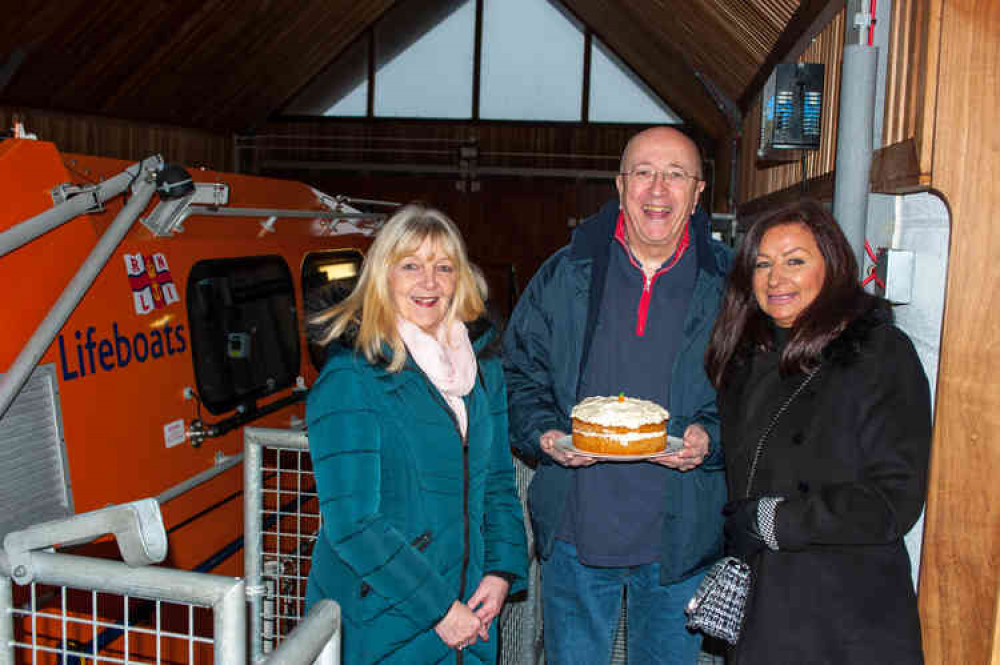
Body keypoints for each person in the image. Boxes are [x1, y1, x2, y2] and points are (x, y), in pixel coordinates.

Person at [503, 126, 731, 665]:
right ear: (620, 184)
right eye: (644, 173)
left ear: (698, 192)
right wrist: (545, 434)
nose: (658, 189)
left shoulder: (729, 286)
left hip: (680, 542)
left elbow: (754, 392)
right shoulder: (566, 273)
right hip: (578, 537)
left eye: (675, 175)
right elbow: (518, 372)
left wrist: (711, 438)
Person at [704, 199, 930, 664]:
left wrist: (774, 520)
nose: (775, 278)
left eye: (795, 261)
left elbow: (895, 499)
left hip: (844, 614)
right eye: (762, 264)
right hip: (765, 608)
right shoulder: (748, 355)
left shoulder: (878, 353)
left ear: (832, 266)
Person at [305, 203, 528, 664]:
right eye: (410, 265)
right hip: (387, 619)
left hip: (473, 612)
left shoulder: (482, 368)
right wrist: (439, 609)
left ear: (460, 279)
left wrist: (502, 571)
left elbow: (500, 484)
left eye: (444, 267)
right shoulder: (352, 376)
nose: (429, 282)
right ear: (382, 276)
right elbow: (352, 524)